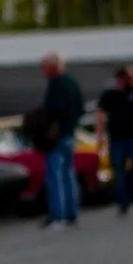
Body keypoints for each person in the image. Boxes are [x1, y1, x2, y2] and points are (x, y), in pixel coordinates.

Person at [95, 68, 133, 217]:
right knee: (119, 172)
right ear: (121, 79)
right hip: (117, 139)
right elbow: (100, 115)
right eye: (128, 78)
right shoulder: (109, 95)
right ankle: (123, 203)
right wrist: (100, 136)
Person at [33, 52, 83, 228]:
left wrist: (50, 128)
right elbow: (80, 107)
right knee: (68, 174)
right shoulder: (71, 84)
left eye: (44, 66)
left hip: (56, 138)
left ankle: (58, 215)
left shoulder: (56, 85)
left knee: (55, 176)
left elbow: (53, 110)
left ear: (53, 66)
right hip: (69, 135)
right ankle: (72, 212)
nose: (42, 70)